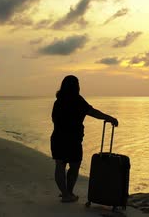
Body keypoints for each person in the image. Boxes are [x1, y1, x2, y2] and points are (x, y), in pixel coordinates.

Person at [50, 75, 118, 203]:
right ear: (76, 86)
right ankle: (68, 193)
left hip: (58, 138)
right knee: (74, 166)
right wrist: (109, 118)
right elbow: (93, 112)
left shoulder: (58, 101)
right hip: (73, 140)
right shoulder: (78, 100)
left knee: (60, 165)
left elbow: (53, 119)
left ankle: (65, 193)